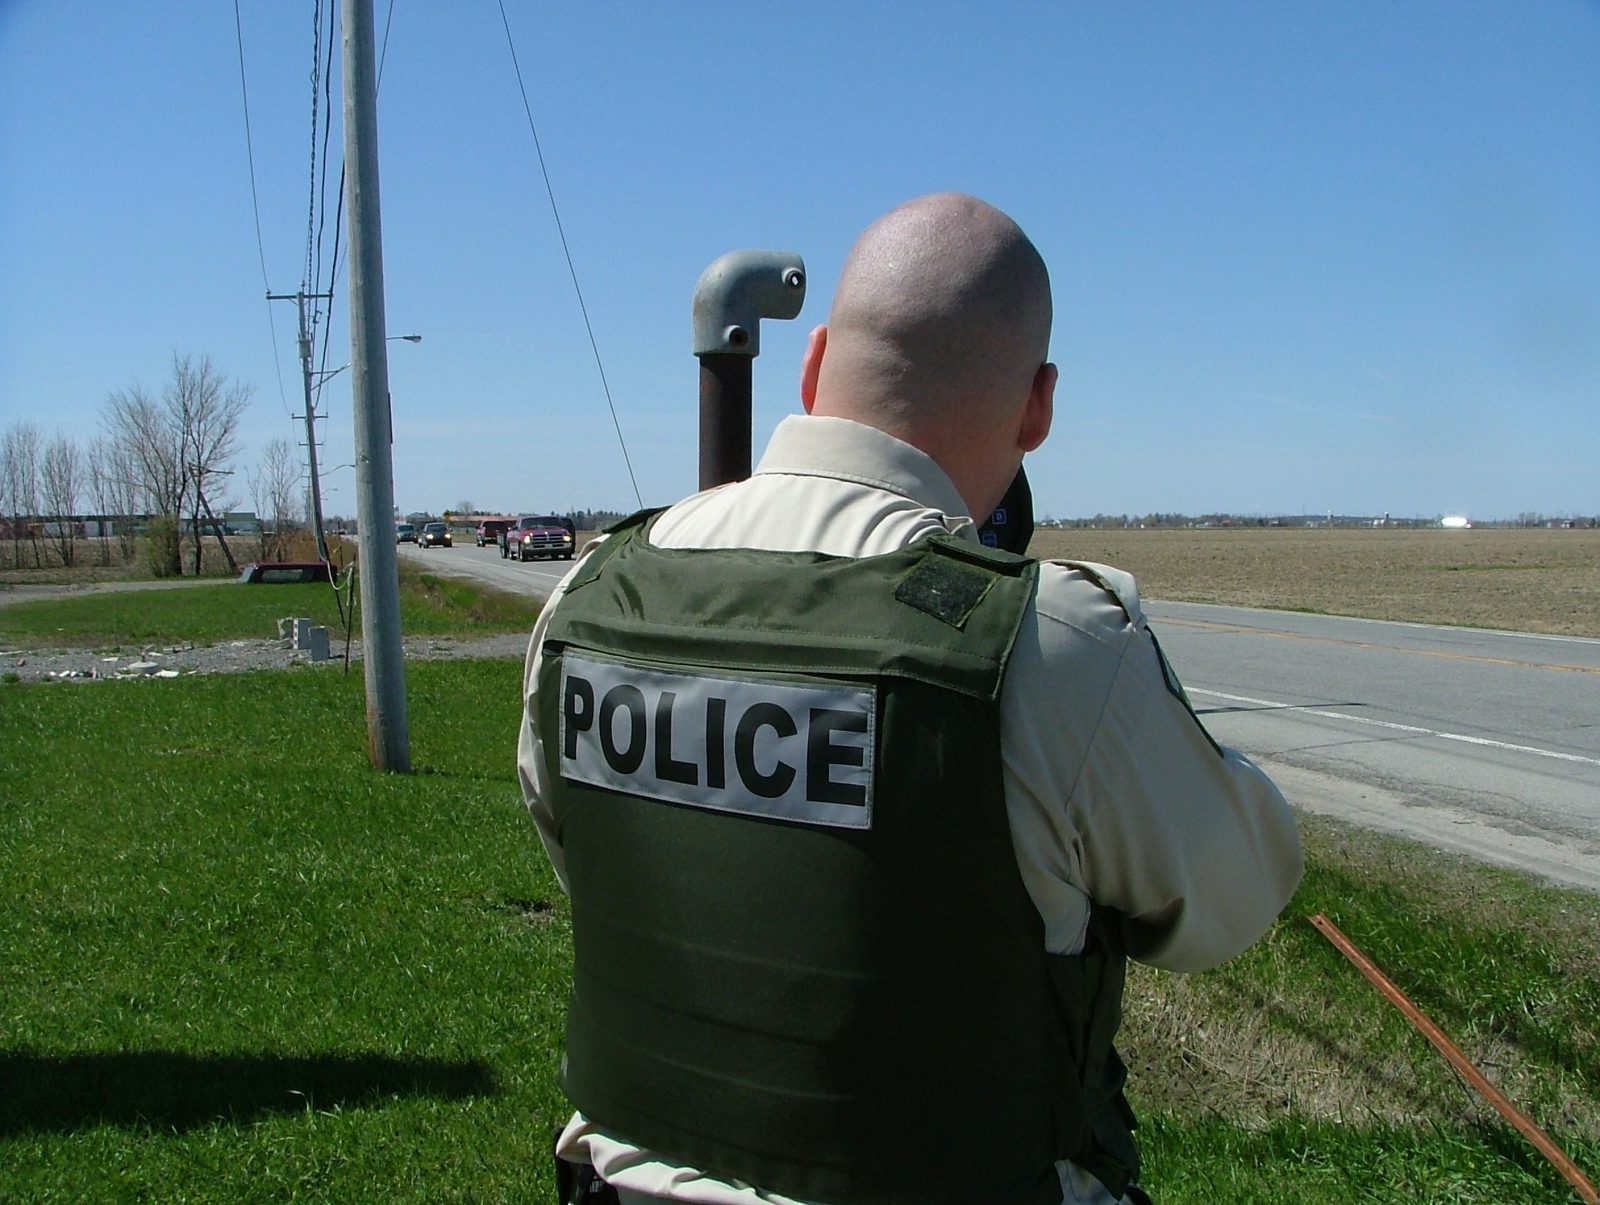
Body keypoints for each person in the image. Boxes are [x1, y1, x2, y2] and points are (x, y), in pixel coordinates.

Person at [518, 192, 1303, 1205]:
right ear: (1037, 407)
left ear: (813, 366)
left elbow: (586, 853)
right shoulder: (1049, 638)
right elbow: (1226, 905)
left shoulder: (590, 595)